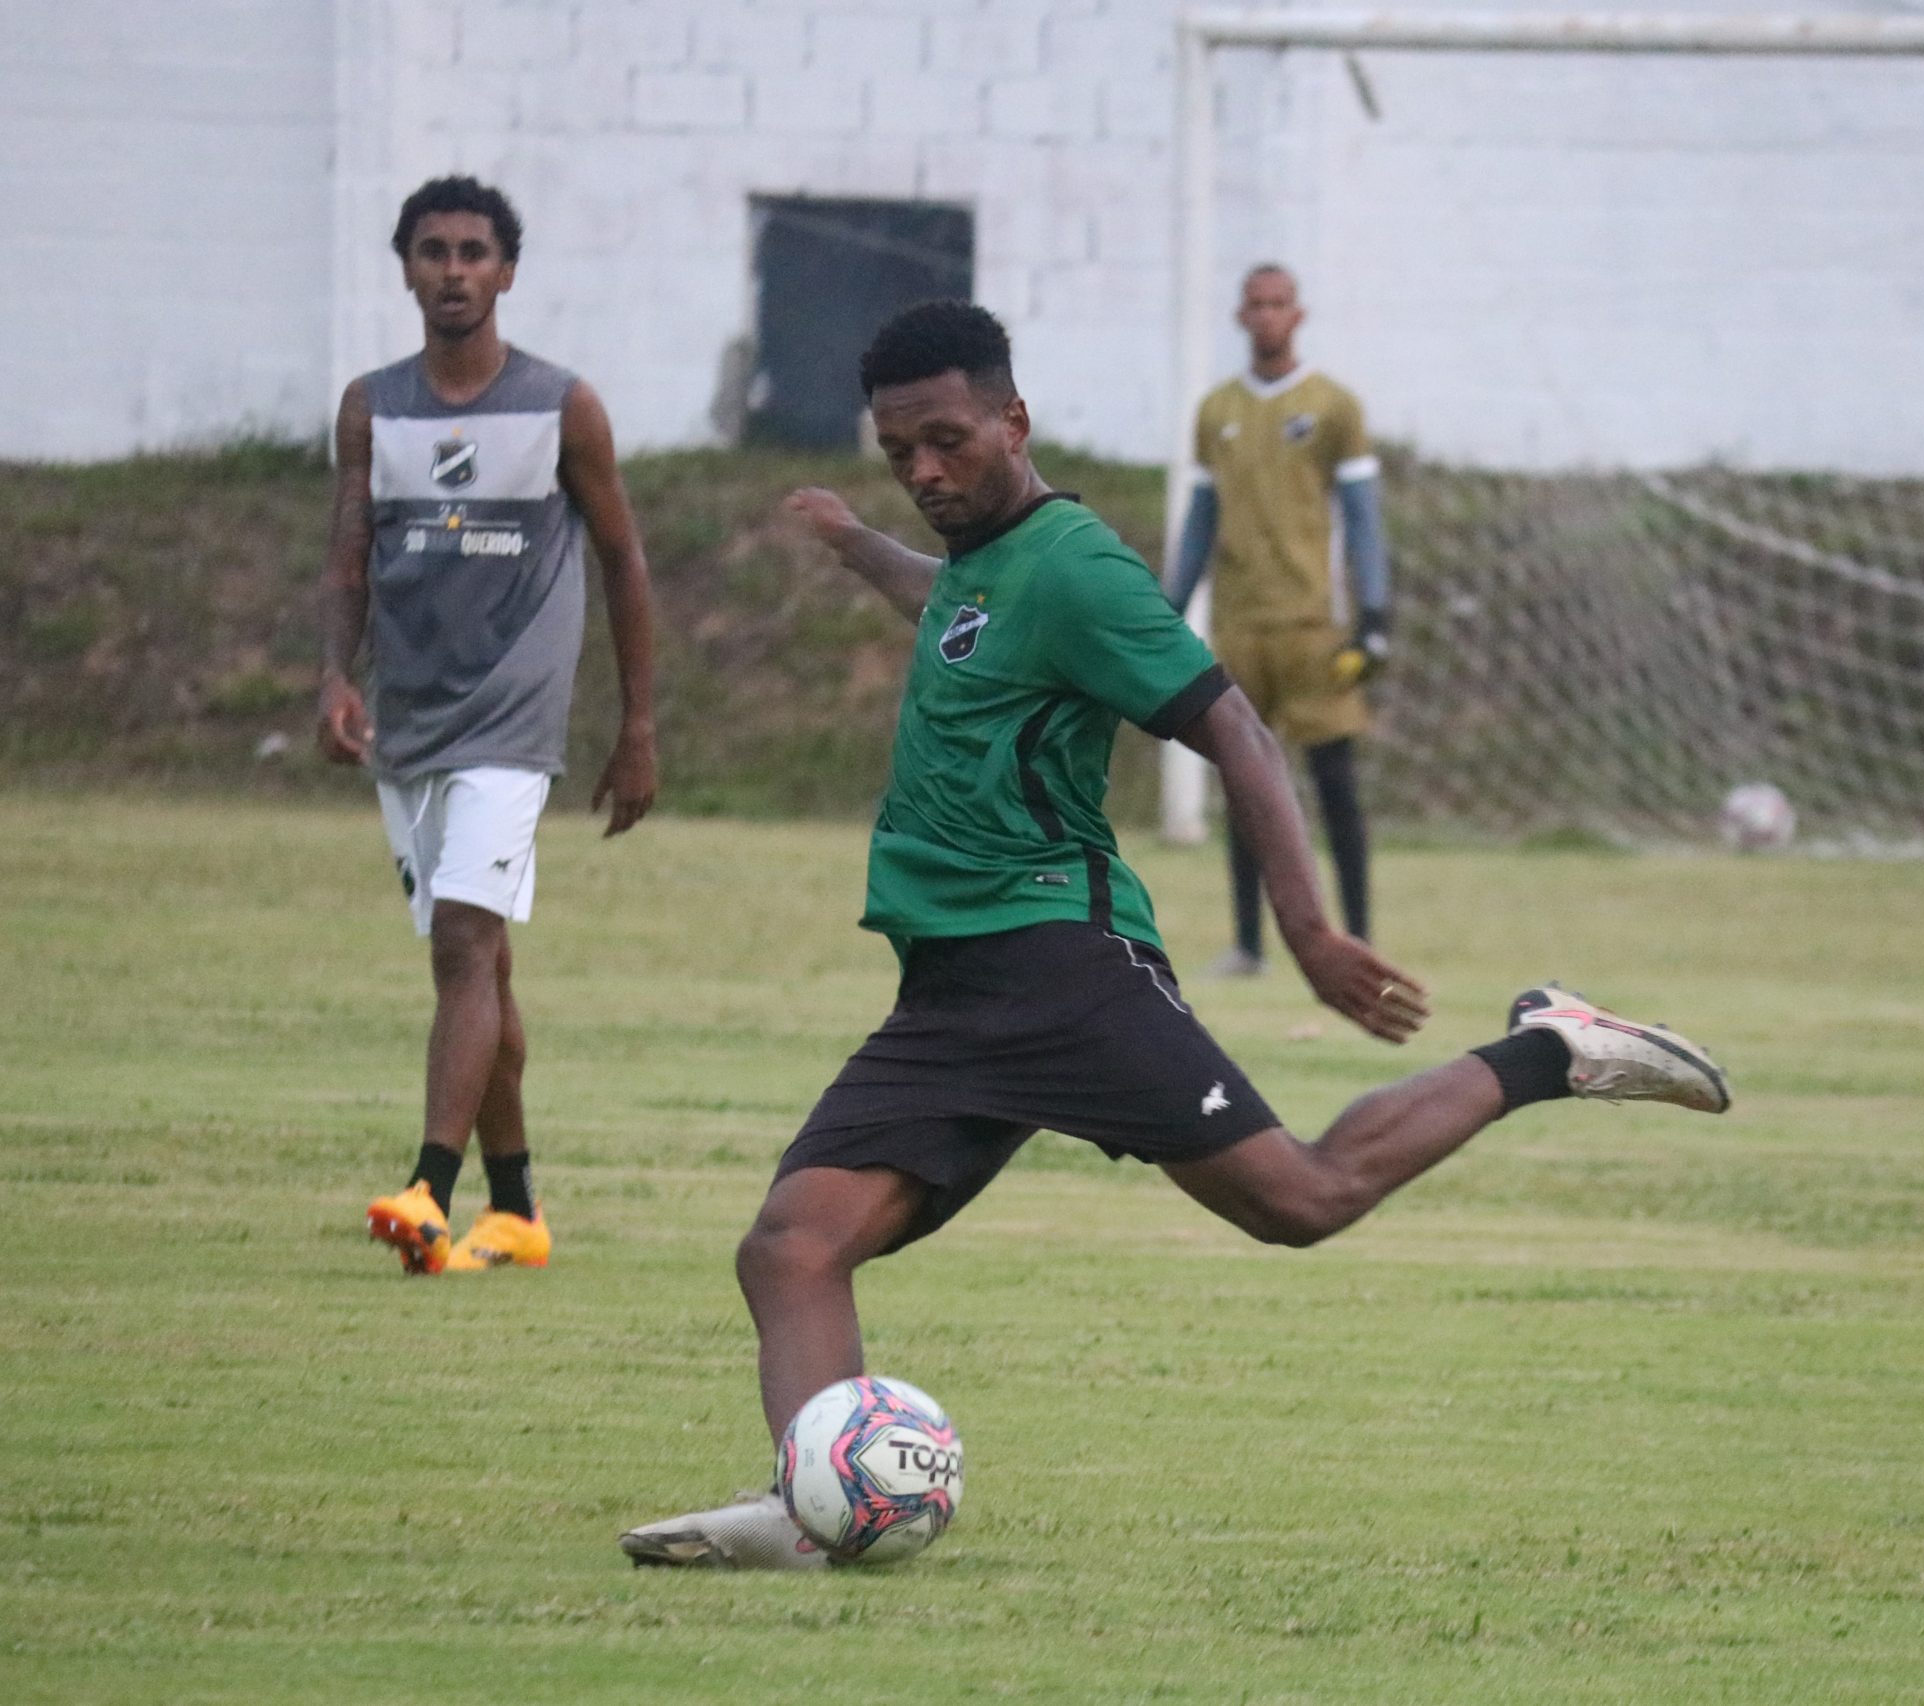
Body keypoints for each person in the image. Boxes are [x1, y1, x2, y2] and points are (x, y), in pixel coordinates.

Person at [617, 301, 1728, 1569]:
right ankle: (812, 1508)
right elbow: (953, 607)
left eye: (946, 441)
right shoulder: (984, 564)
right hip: (948, 995)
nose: (924, 471)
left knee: (1301, 1200)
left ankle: (1549, 1049)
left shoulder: (1075, 562)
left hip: (1064, 969)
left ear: (1012, 422)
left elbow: (1236, 727)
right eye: (897, 453)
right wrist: (858, 542)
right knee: (792, 1245)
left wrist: (1306, 929)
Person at [317, 175, 659, 1277]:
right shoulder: (372, 405)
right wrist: (336, 673)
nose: (453, 270)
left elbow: (622, 560)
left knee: (463, 942)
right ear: (406, 267)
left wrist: (637, 723)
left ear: (507, 271)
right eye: (432, 251)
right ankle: (516, 1208)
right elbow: (348, 554)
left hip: (514, 721)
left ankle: (428, 1189)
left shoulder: (562, 405)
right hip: (410, 720)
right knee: (480, 961)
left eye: (473, 251)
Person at [1164, 264, 1391, 975]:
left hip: (1311, 628)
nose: (1266, 316)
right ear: (1240, 316)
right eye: (1255, 305)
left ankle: (1359, 939)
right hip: (1239, 627)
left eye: (1278, 305)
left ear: (1299, 315)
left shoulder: (1333, 406)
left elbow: (1361, 520)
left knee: (1335, 785)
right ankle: (1248, 946)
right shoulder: (1216, 412)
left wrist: (1375, 610)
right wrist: (1165, 612)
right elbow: (1200, 520)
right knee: (1244, 786)